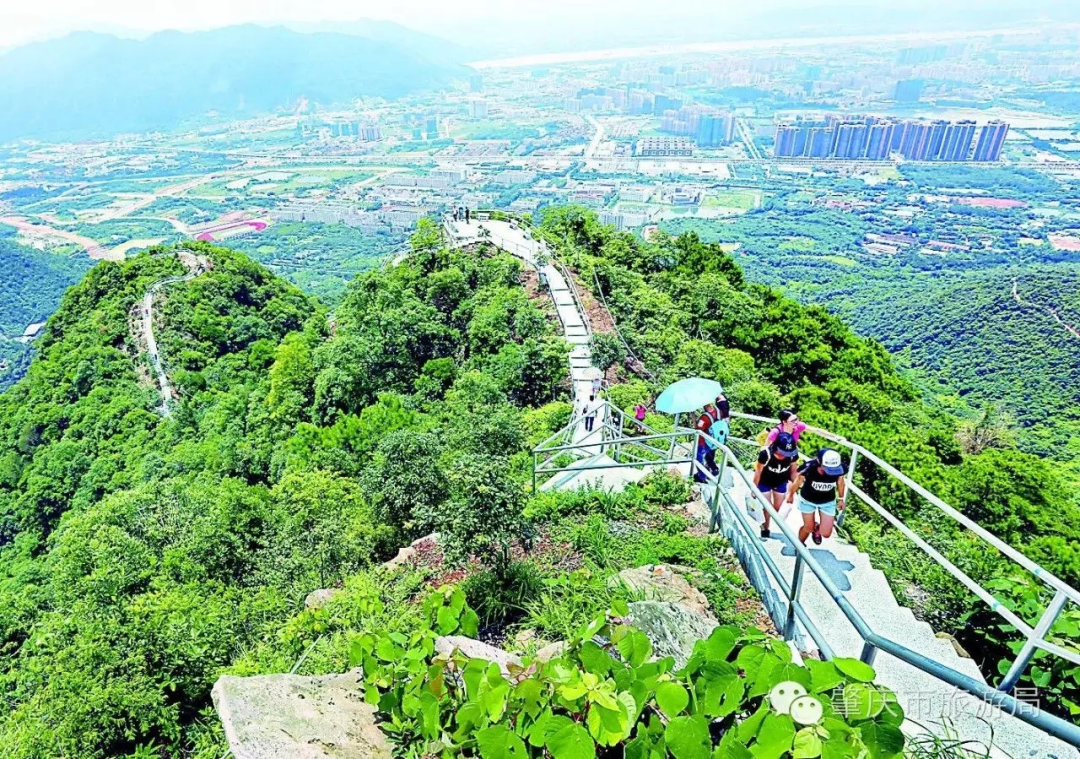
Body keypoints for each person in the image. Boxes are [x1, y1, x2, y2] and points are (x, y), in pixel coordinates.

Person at [788, 448, 846, 545]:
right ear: (819, 463)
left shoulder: (840, 469)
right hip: (808, 500)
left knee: (826, 533)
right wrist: (790, 495)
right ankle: (799, 544)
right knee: (808, 528)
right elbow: (798, 481)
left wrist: (841, 499)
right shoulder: (808, 467)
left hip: (827, 501)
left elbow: (841, 482)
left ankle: (817, 528)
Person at [753, 432, 799, 539]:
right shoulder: (766, 454)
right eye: (783, 452)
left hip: (781, 481)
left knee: (777, 508)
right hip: (765, 481)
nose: (784, 455)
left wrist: (794, 488)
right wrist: (754, 488)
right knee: (767, 507)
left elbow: (793, 471)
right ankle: (765, 527)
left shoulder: (792, 456)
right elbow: (758, 471)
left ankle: (766, 518)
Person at [704, 394, 731, 474]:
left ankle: (713, 467)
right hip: (721, 430)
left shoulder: (720, 405)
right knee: (712, 448)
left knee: (709, 448)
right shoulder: (724, 404)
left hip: (716, 430)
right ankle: (709, 465)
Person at [693, 403, 717, 482]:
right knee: (708, 457)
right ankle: (713, 469)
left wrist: (693, 418)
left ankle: (702, 476)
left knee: (698, 458)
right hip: (712, 440)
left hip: (703, 441)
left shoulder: (705, 417)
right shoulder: (716, 412)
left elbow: (698, 428)